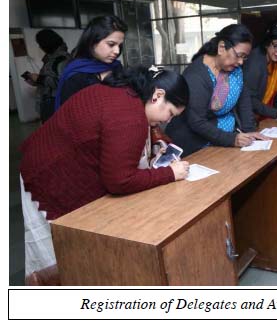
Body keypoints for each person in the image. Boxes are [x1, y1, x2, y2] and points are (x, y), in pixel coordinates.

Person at [19, 65, 190, 283]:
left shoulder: (127, 93)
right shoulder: (129, 115)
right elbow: (120, 180)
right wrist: (169, 173)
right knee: (55, 253)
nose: (168, 121)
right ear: (158, 95)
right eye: (170, 113)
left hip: (49, 158)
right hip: (47, 175)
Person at [165, 24, 266, 157]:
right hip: (196, 145)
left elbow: (244, 100)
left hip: (224, 140)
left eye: (244, 57)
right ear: (221, 48)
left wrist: (249, 132)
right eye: (239, 55)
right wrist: (232, 139)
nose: (241, 62)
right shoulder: (196, 76)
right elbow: (197, 122)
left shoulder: (235, 70)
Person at [54, 15, 127, 110]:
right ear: (92, 41)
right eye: (111, 44)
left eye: (119, 45)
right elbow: (70, 115)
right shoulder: (76, 76)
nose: (117, 51)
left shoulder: (116, 67)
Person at [24, 29, 71, 123]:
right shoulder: (51, 58)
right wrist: (36, 81)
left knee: (53, 133)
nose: (40, 47)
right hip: (49, 102)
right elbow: (50, 79)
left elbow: (63, 83)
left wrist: (40, 78)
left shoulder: (61, 59)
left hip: (56, 103)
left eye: (40, 44)